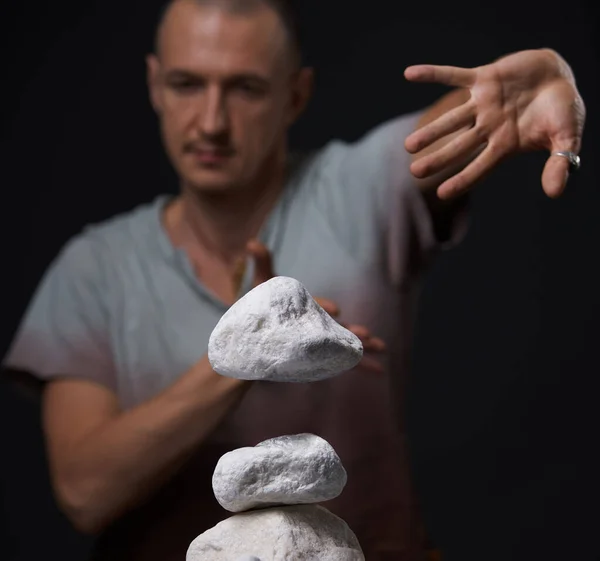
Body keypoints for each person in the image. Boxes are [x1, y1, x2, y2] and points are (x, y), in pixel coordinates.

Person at [2, 0, 585, 559]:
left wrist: (535, 87)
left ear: (295, 94)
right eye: (186, 84)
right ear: (155, 85)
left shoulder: (358, 192)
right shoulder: (94, 267)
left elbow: (449, 128)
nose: (211, 122)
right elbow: (85, 493)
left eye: (246, 88)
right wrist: (246, 351)